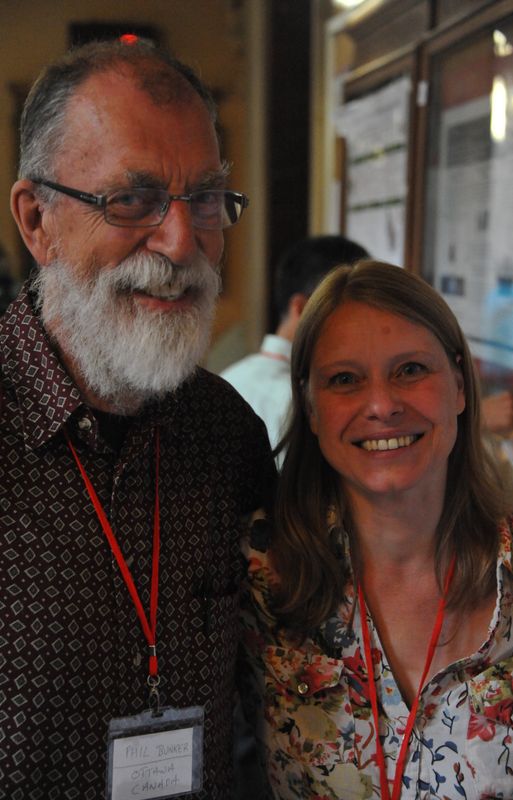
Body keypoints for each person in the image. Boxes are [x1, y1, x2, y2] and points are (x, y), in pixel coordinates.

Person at [0, 39, 274, 800]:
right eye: (132, 200)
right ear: (37, 220)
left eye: (206, 198)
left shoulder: (226, 432)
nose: (182, 243)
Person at [241, 261, 513, 799]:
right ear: (310, 408)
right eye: (345, 379)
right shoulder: (258, 573)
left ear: (460, 386)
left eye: (410, 370)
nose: (381, 405)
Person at [221, 235, 368, 452]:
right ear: (302, 307)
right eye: (354, 310)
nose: (364, 326)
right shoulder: (300, 399)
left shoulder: (229, 377)